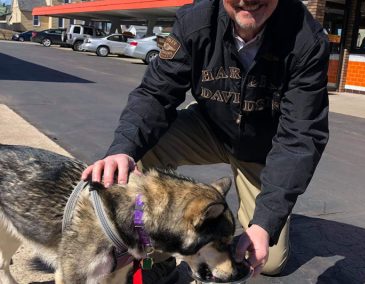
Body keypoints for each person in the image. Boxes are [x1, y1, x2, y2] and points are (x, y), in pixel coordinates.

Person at [82, 0, 329, 279]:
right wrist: (122, 149)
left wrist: (266, 222)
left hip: (263, 150)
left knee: (267, 260)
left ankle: (268, 214)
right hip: (210, 128)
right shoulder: (195, 21)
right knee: (137, 156)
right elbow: (155, 94)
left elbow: (300, 137)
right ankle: (156, 256)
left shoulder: (306, 39)